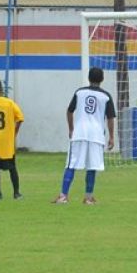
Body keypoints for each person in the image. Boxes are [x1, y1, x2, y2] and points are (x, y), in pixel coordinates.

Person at [53, 67, 116, 205]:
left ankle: (63, 196)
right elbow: (110, 118)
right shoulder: (106, 96)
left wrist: (71, 129)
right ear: (102, 79)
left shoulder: (79, 92)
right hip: (96, 135)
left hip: (79, 133)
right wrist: (111, 136)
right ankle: (88, 198)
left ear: (88, 78)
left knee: (71, 164)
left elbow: (69, 111)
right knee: (92, 166)